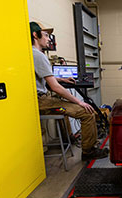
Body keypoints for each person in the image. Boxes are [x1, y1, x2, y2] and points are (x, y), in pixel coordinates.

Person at [29, 22, 108, 161]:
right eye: (46, 35)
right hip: (41, 101)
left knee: (64, 109)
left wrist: (62, 80)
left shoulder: (31, 54)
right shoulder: (38, 55)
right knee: (87, 112)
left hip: (38, 98)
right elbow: (54, 87)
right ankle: (89, 151)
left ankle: (71, 138)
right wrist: (79, 101)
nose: (49, 39)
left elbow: (46, 79)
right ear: (35, 35)